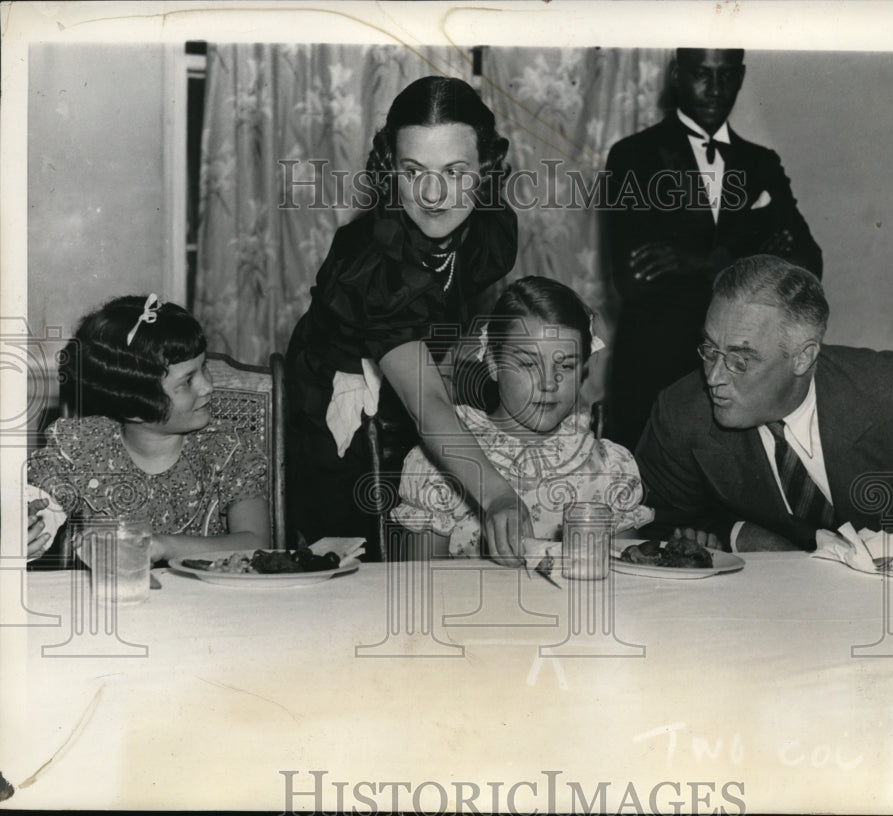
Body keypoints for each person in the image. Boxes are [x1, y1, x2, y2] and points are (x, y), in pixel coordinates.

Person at [284, 76, 530, 564]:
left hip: (411, 398)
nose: (435, 195)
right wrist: (498, 495)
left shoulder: (487, 225)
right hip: (340, 429)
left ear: (486, 169)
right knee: (366, 575)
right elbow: (427, 404)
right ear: (390, 170)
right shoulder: (373, 264)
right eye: (413, 170)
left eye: (456, 171)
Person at [634, 255, 893, 552]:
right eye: (710, 350)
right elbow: (653, 527)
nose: (712, 377)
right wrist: (737, 534)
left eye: (740, 360)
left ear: (803, 357)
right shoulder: (681, 413)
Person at [605, 48, 823, 449]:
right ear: (676, 76)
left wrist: (700, 261)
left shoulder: (761, 163)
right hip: (655, 370)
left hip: (743, 380)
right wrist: (757, 252)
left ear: (740, 78)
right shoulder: (632, 157)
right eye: (701, 75)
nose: (714, 89)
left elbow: (808, 264)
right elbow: (634, 281)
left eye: (725, 76)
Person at [391, 276, 653, 557]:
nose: (549, 383)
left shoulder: (607, 468)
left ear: (584, 370)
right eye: (528, 364)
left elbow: (629, 580)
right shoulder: (441, 462)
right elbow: (421, 584)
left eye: (566, 365)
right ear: (493, 363)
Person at [26, 294, 269, 565]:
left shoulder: (229, 447)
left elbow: (256, 542)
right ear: (134, 409)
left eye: (204, 368)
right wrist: (26, 531)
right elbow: (33, 506)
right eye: (187, 381)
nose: (207, 386)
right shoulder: (78, 446)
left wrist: (162, 546)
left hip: (208, 603)